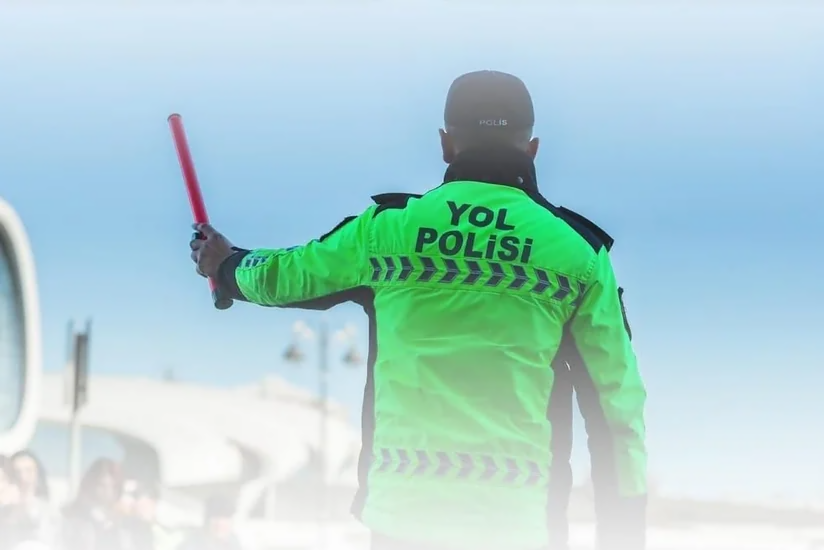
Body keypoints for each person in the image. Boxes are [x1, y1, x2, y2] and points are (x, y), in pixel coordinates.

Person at [189, 70, 647, 550]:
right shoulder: (579, 253)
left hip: (401, 517)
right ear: (532, 149)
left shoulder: (385, 230)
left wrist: (227, 265)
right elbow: (617, 406)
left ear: (446, 144)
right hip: (517, 524)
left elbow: (288, 275)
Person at [62, 458, 133, 550]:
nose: (108, 491)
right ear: (90, 484)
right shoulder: (71, 519)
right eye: (102, 485)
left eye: (114, 486)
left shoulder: (123, 524)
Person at [6, 451, 58, 548]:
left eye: (29, 471)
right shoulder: (4, 512)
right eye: (17, 472)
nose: (23, 477)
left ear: (38, 474)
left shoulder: (53, 513)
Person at [178, 495, 244, 550]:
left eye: (225, 517)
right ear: (206, 521)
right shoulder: (191, 545)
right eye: (216, 517)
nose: (220, 523)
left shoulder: (234, 543)